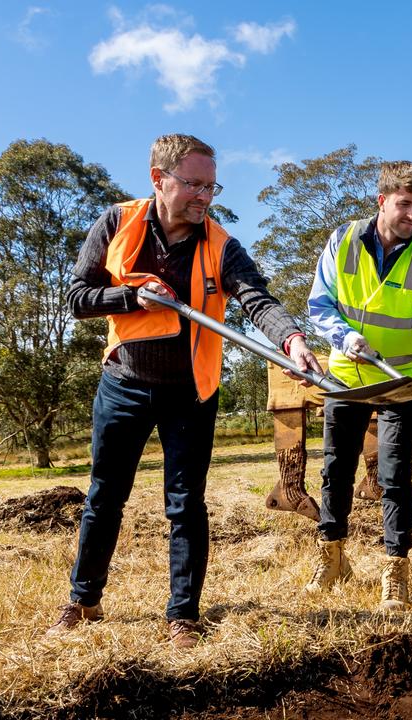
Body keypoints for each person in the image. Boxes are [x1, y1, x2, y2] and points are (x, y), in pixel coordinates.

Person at [51, 134, 321, 648]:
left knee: (185, 504)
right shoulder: (117, 222)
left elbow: (256, 299)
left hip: (191, 393)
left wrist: (291, 339)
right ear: (160, 179)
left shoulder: (221, 243)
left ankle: (183, 615)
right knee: (105, 497)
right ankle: (83, 601)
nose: (205, 196)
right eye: (194, 184)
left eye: (211, 186)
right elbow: (77, 298)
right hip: (124, 385)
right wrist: (132, 297)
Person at [304, 160, 412, 612]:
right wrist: (342, 335)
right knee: (336, 472)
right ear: (382, 201)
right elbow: (320, 302)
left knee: (395, 477)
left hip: (399, 385)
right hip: (347, 379)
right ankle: (331, 558)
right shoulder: (344, 240)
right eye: (404, 204)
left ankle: (396, 570)